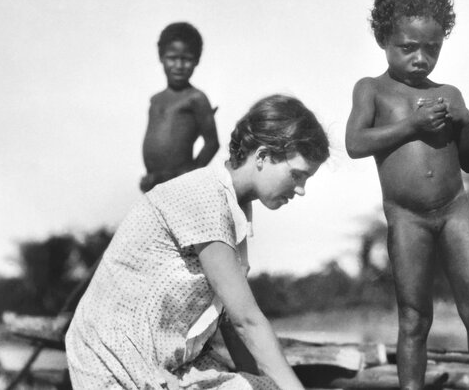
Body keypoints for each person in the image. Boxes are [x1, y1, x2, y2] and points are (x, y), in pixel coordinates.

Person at [66, 94, 330, 389]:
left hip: (168, 364)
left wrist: (262, 383)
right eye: (297, 175)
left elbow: (233, 320)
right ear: (263, 156)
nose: (301, 190)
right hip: (114, 360)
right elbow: (248, 321)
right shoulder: (205, 195)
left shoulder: (237, 208)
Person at [345, 0, 469, 389]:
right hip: (407, 218)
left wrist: (465, 123)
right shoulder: (372, 90)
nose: (420, 58)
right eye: (408, 47)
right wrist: (413, 124)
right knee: (414, 317)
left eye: (431, 48)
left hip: (454, 211)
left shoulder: (449, 93)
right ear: (383, 40)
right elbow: (355, 143)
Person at [141, 22, 220, 192]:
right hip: (153, 183)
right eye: (172, 58)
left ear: (196, 60)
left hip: (180, 185)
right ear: (161, 57)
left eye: (186, 59)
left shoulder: (196, 98)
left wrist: (190, 174)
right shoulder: (155, 100)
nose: (178, 65)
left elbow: (212, 143)